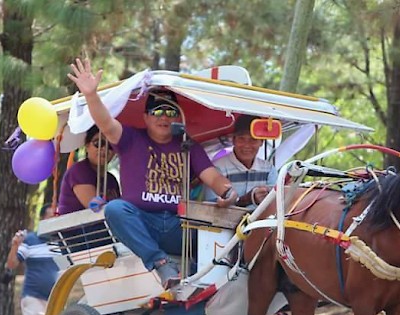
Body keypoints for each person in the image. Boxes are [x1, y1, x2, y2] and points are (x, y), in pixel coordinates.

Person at [67, 57, 238, 289]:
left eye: (170, 111)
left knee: (222, 233)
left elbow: (213, 177)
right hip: (142, 223)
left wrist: (228, 192)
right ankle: (160, 263)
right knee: (116, 209)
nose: (164, 117)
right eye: (157, 112)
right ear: (146, 117)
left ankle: (211, 286)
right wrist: (91, 95)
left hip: (180, 227)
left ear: (178, 117)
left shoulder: (189, 145)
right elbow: (105, 123)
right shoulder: (130, 138)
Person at [3, 204, 59, 315]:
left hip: (56, 299)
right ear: (42, 219)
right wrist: (15, 245)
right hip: (34, 296)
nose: (53, 220)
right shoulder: (31, 240)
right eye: (50, 216)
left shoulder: (61, 241)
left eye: (56, 216)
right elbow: (12, 264)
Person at [204, 114, 278, 210]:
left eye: (253, 139)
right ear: (233, 140)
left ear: (261, 142)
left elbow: (275, 204)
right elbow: (211, 207)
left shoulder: (269, 170)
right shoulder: (217, 168)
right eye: (241, 139)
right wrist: (246, 199)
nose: (247, 145)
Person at [58, 124, 121, 215]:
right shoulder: (79, 170)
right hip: (77, 227)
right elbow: (94, 207)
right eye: (98, 143)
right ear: (87, 146)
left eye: (111, 146)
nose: (104, 149)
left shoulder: (111, 179)